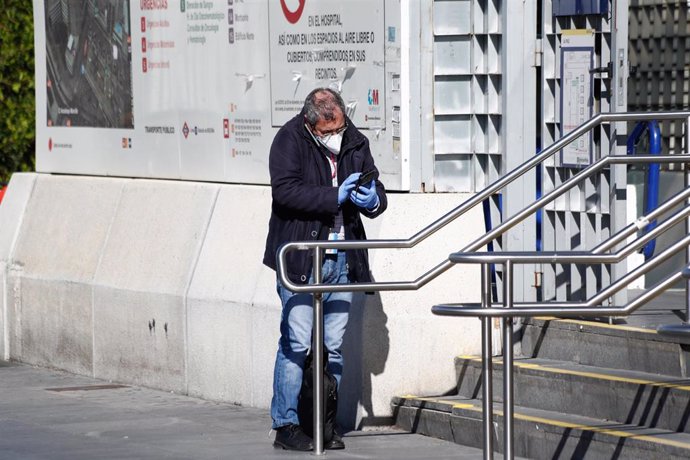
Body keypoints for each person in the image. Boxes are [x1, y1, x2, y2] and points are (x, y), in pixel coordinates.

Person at [263, 87, 387, 451]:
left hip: (342, 257)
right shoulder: (288, 139)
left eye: (339, 128)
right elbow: (285, 191)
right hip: (302, 257)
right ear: (311, 123)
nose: (337, 136)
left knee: (332, 346)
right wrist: (333, 196)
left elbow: (373, 180)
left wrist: (373, 197)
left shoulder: (353, 139)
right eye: (329, 131)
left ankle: (324, 423)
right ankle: (286, 424)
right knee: (296, 342)